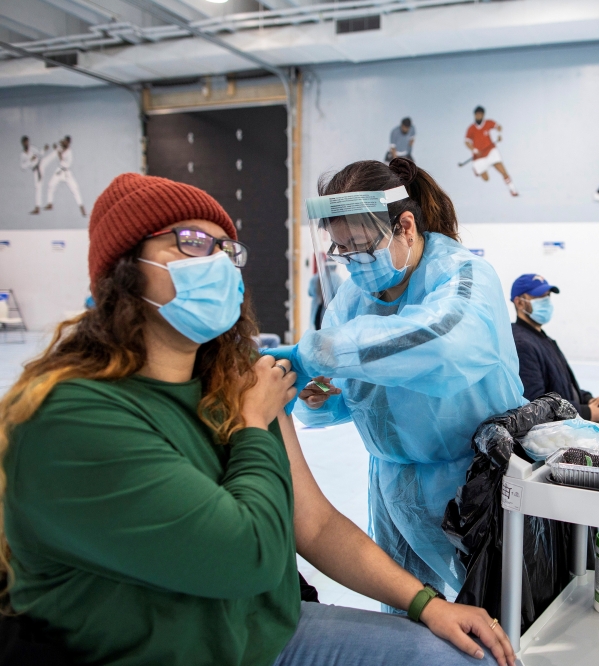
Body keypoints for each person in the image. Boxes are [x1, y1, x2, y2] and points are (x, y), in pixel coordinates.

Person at [0, 173, 515, 666]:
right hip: (170, 650)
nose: (219, 264)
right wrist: (261, 421)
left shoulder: (234, 383)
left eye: (228, 250)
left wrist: (428, 605)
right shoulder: (75, 418)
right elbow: (246, 558)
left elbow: (313, 523)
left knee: (464, 655)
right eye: (194, 242)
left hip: (265, 630)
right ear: (124, 268)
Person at [275, 158, 526, 607]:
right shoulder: (354, 300)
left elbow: (444, 344)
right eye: (342, 248)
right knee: (407, 617)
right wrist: (321, 395)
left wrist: (319, 353)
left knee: (485, 616)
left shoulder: (463, 275)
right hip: (394, 486)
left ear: (405, 226)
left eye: (361, 244)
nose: (353, 261)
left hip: (470, 485)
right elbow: (357, 396)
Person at [510, 273, 599, 441]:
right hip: (563, 427)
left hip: (576, 413)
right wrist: (586, 412)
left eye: (547, 296)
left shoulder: (543, 338)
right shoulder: (522, 344)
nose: (547, 301)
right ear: (520, 302)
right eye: (540, 297)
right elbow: (535, 405)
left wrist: (589, 399)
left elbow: (564, 384)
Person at [465, 107, 517, 196]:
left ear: (483, 115)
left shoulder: (488, 123)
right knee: (486, 178)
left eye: (480, 114)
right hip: (479, 156)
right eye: (477, 114)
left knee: (503, 171)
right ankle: (477, 170)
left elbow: (498, 127)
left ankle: (513, 190)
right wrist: (475, 150)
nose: (478, 116)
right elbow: (467, 141)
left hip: (491, 151)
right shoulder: (471, 128)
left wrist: (499, 135)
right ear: (474, 115)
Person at [43, 135, 86, 217]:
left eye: (66, 141)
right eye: (64, 141)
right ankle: (50, 203)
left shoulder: (69, 152)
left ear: (68, 143)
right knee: (51, 185)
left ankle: (81, 207)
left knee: (75, 189)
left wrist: (59, 153)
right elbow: (57, 150)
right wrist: (57, 148)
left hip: (66, 172)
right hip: (59, 171)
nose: (64, 142)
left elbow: (64, 163)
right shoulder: (61, 148)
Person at [308, 262, 342, 330]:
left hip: (317, 310)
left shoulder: (316, 277)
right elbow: (340, 295)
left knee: (318, 330)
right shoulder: (337, 278)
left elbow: (310, 292)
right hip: (330, 311)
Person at [19, 135, 43, 215]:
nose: (26, 144)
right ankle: (37, 208)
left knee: (39, 187)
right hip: (34, 170)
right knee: (37, 188)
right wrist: (30, 160)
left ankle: (38, 208)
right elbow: (23, 167)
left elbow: (39, 155)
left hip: (40, 167)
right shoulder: (23, 155)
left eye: (27, 142)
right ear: (22, 143)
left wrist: (36, 159)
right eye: (24, 142)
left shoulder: (33, 148)